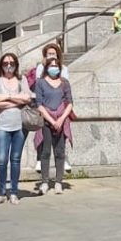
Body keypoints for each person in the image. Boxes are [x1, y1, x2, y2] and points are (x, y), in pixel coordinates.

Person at [0, 52, 32, 204]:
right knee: (2, 159)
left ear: (16, 65)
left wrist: (6, 97)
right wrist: (18, 100)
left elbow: (28, 98)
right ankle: (1, 192)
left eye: (12, 64)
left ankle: (14, 191)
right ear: (1, 65)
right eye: (5, 64)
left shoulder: (22, 79)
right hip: (2, 124)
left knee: (15, 159)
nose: (9, 66)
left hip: (20, 125)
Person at [34, 56, 74, 195]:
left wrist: (61, 119)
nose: (54, 68)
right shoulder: (40, 82)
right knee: (45, 152)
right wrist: (51, 120)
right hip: (46, 121)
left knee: (60, 152)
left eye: (56, 65)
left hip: (61, 120)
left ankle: (58, 181)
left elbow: (69, 102)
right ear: (46, 68)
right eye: (51, 65)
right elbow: (39, 104)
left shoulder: (64, 83)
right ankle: (45, 182)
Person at [31, 43, 71, 172]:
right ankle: (39, 160)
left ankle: (63, 159)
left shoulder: (63, 68)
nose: (51, 56)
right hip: (44, 107)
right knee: (42, 136)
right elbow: (39, 85)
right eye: (49, 54)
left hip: (60, 107)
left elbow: (65, 86)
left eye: (54, 54)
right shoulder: (40, 68)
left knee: (61, 137)